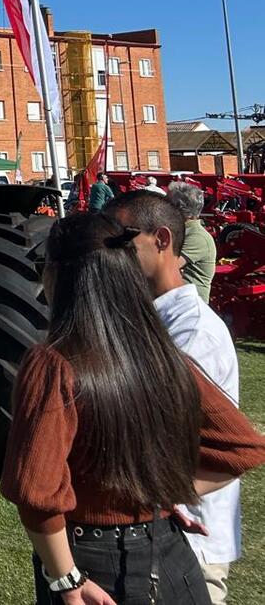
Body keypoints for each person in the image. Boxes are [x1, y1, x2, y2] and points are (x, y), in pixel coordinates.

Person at [1, 211, 265, 604]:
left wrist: (66, 580)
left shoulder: (54, 364)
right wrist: (164, 493)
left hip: (90, 564)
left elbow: (36, 493)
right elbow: (242, 449)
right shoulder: (163, 355)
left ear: (57, 274)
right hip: (171, 555)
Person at [113, 191, 240, 603]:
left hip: (189, 537)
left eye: (123, 242)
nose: (112, 256)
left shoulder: (193, 331)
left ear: (162, 240)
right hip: (158, 527)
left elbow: (166, 432)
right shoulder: (152, 319)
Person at [166, 181, 217, 303]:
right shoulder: (180, 231)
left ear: (178, 209)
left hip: (189, 308)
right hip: (175, 303)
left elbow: (165, 267)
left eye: (166, 204)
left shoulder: (197, 237)